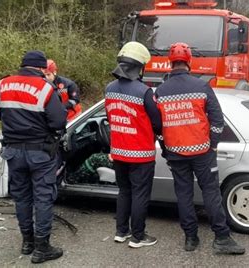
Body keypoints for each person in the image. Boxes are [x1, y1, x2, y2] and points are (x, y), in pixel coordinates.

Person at [155, 42, 245, 254]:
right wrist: (213, 145)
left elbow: (157, 127)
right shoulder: (202, 87)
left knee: (184, 196)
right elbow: (217, 121)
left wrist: (166, 149)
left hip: (176, 153)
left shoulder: (160, 91)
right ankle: (222, 238)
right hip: (203, 152)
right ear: (189, 61)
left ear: (170, 62)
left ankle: (190, 238)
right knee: (211, 193)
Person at [0, 50, 67, 263]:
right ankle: (42, 247)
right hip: (40, 152)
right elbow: (58, 122)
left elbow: (0, 113)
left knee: (22, 197)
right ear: (42, 68)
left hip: (13, 151)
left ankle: (27, 242)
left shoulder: (1, 85)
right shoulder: (45, 88)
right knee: (43, 197)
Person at [105, 41, 162, 248]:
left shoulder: (109, 89)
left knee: (124, 192)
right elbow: (157, 122)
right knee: (140, 194)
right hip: (140, 154)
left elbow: (111, 118)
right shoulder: (144, 91)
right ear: (140, 67)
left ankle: (121, 232)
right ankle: (138, 236)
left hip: (118, 152)